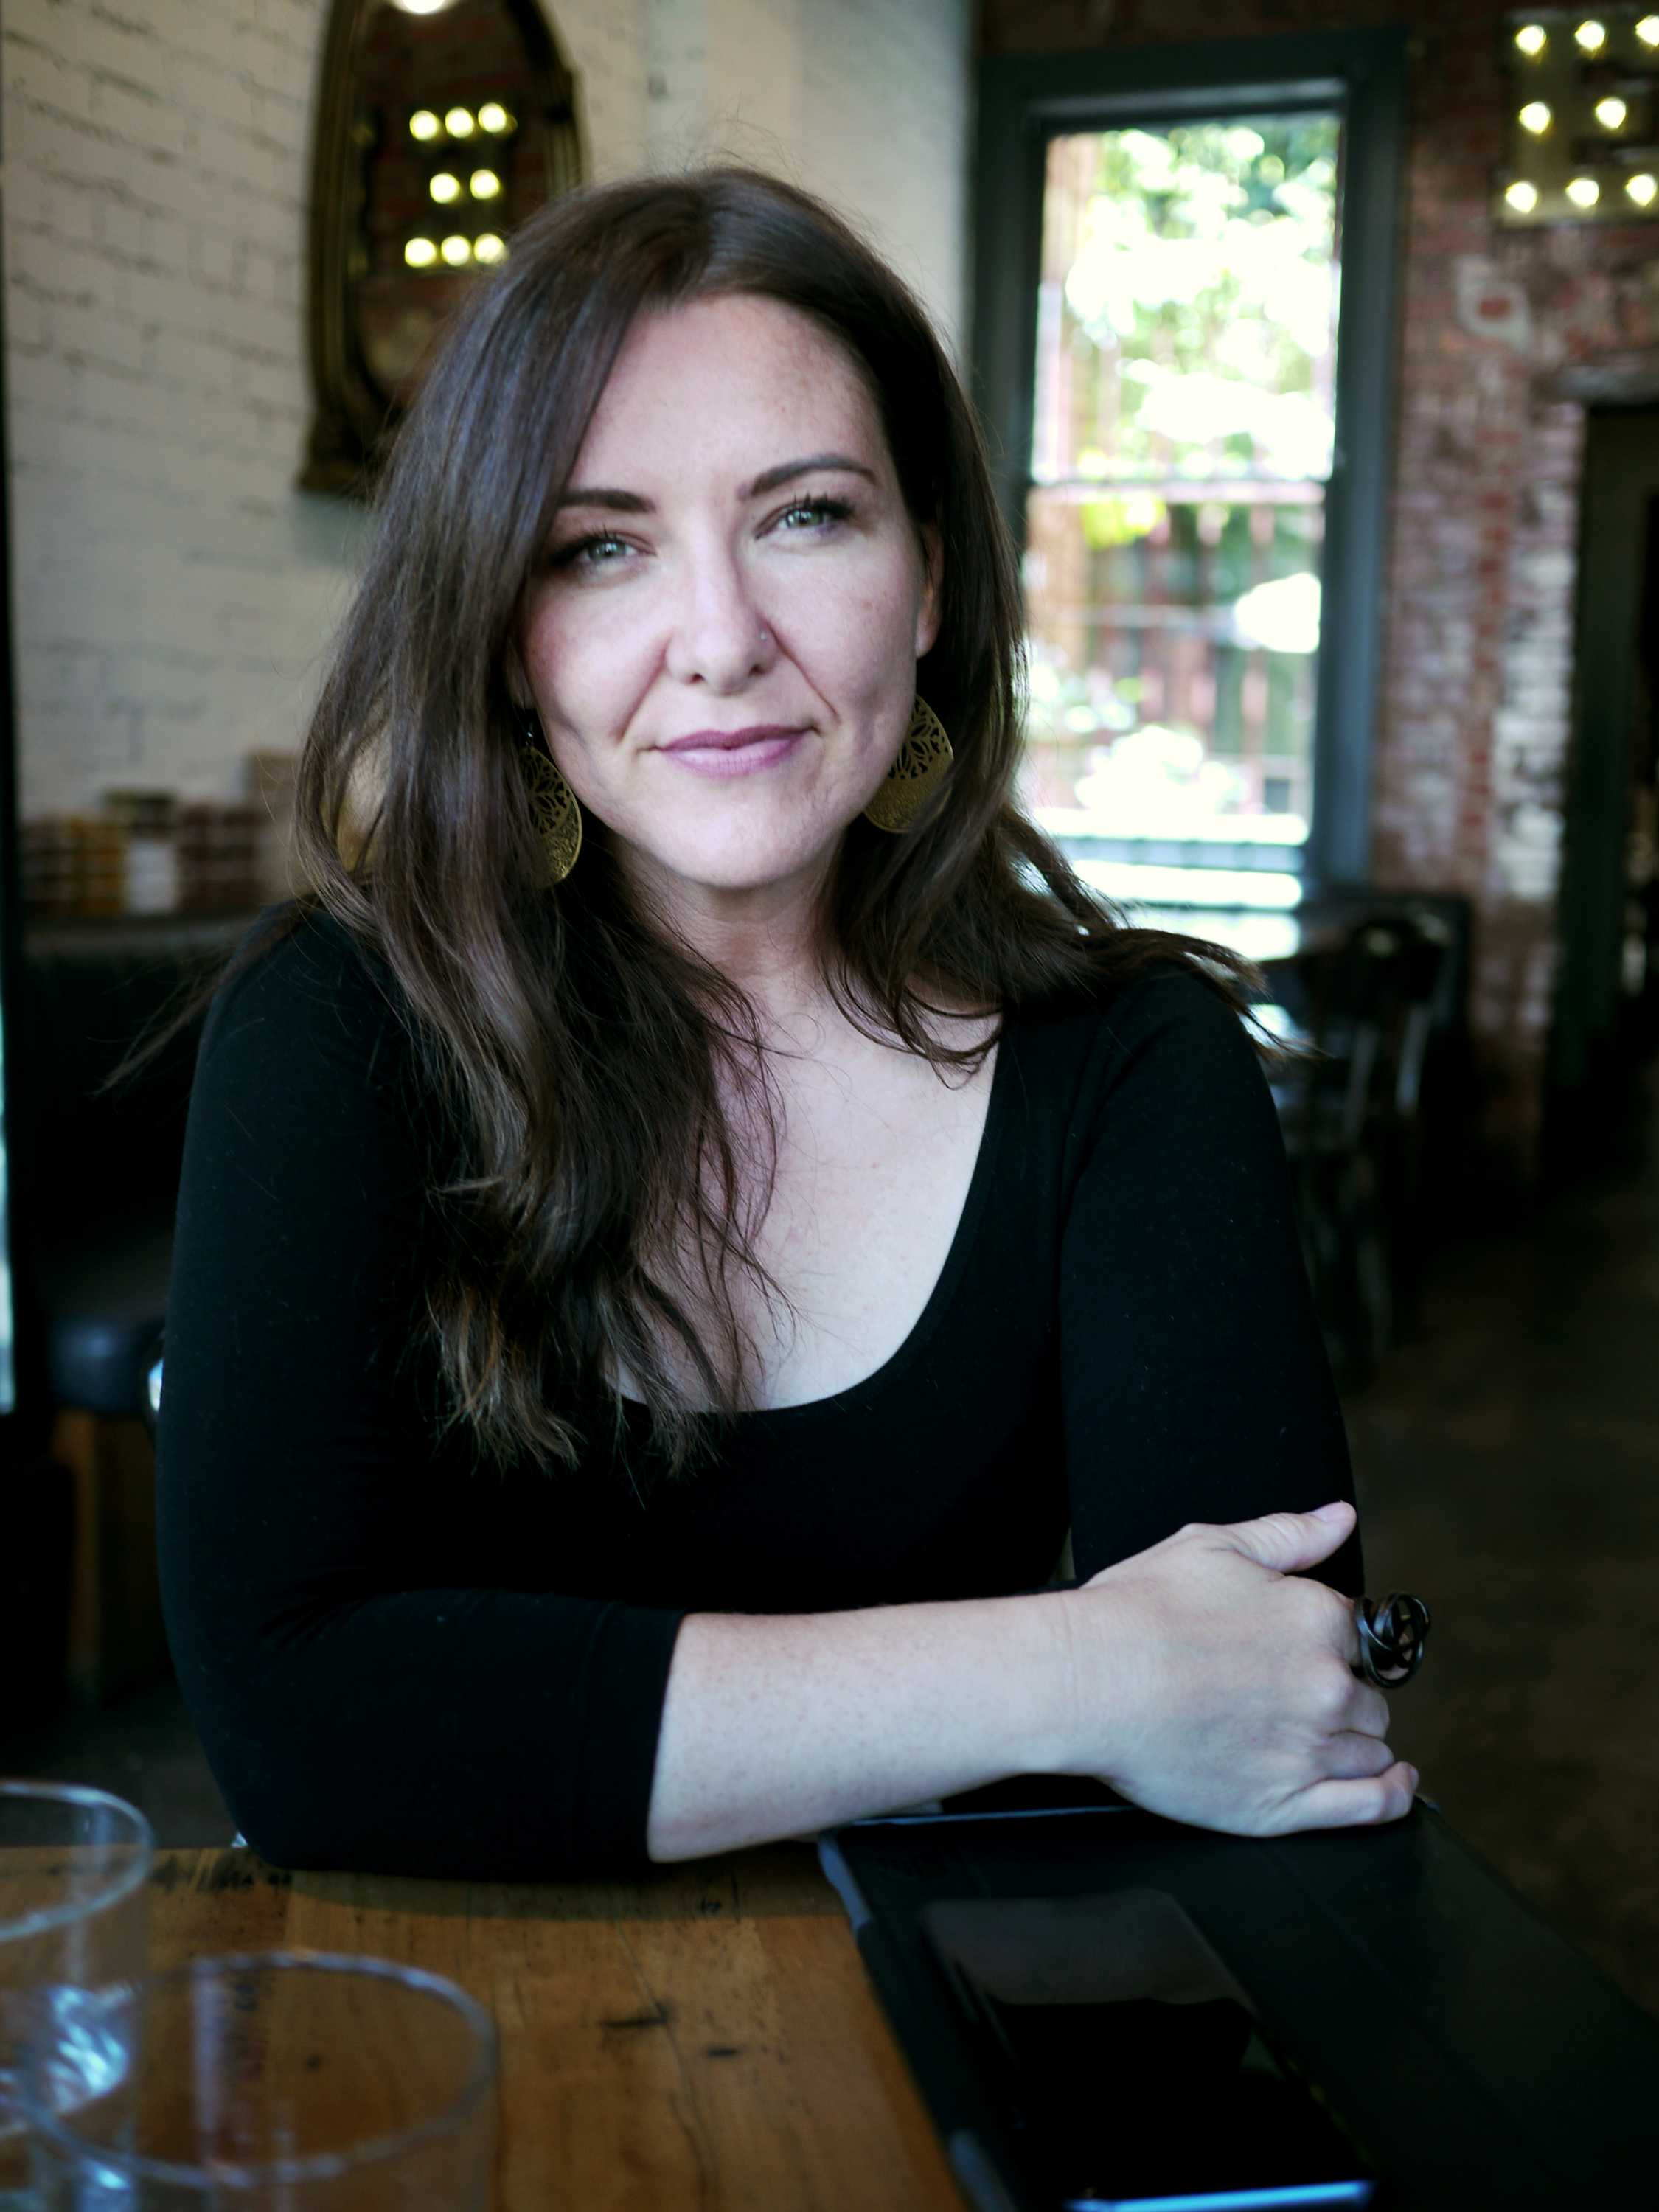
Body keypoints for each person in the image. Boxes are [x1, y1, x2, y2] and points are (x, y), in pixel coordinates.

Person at [152, 167, 1416, 1880]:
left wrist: (1151, 1686)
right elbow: (303, 1731)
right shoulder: (340, 1029)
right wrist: (1080, 1667)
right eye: (600, 548)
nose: (722, 643)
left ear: (934, 577)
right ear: (509, 641)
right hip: (425, 2066)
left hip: (946, 2057)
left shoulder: (1132, 1067)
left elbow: (1259, 1701)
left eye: (807, 515)